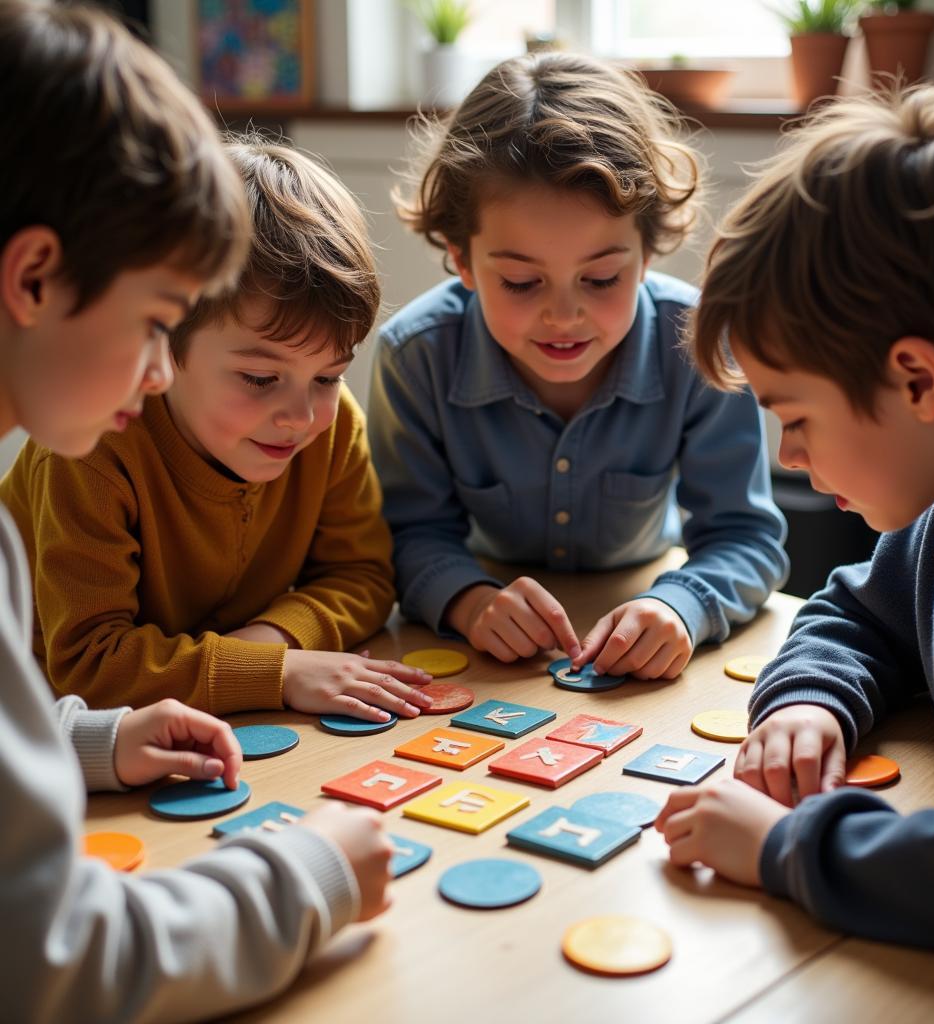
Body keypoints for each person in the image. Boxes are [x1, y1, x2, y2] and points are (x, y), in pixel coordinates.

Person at [0, 3, 393, 1018]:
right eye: (157, 323)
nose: (160, 365)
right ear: (34, 277)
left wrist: (90, 743)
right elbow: (53, 959)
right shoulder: (83, 452)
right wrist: (305, 877)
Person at [655, 85, 934, 953]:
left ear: (918, 381)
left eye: (796, 416)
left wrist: (785, 846)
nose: (788, 457)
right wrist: (813, 699)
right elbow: (859, 612)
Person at [369, 52, 788, 679]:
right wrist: (467, 599)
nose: (563, 317)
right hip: (487, 642)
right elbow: (408, 535)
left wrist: (683, 604)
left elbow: (746, 537)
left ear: (647, 254)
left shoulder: (698, 343)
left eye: (600, 278)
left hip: (644, 596)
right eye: (518, 282)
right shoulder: (416, 354)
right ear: (461, 260)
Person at [1, 134, 434, 723]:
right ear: (167, 342)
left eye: (329, 376)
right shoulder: (89, 447)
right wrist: (272, 671)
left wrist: (267, 643)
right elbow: (89, 667)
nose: (301, 416)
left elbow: (363, 577)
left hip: (208, 717)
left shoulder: (328, 431)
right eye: (259, 379)